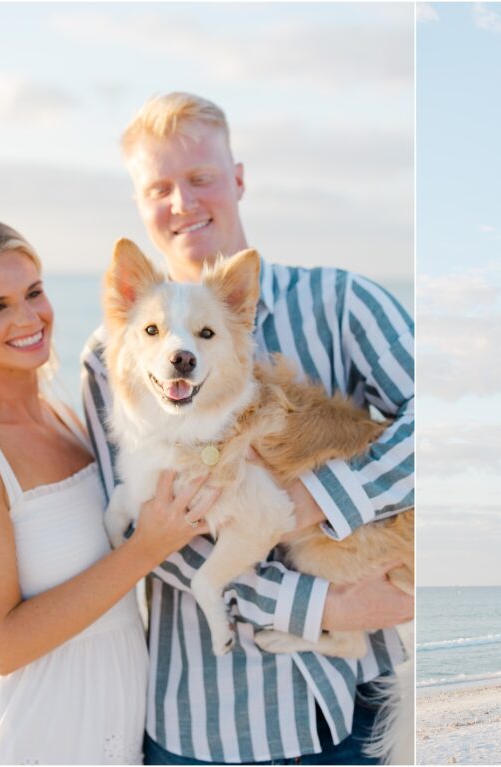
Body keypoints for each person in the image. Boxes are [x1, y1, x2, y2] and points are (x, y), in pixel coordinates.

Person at [81, 92, 414, 764]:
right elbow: (151, 536)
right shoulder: (108, 358)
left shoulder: (340, 301)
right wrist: (319, 605)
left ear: (237, 177)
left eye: (200, 177)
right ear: (140, 201)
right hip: (198, 721)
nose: (182, 203)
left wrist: (319, 499)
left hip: (346, 709)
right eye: (159, 188)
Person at [0, 218, 218, 764]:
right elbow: (0, 647)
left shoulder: (64, 415)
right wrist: (146, 549)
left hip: (113, 716)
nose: (29, 318)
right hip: (36, 727)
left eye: (33, 292)